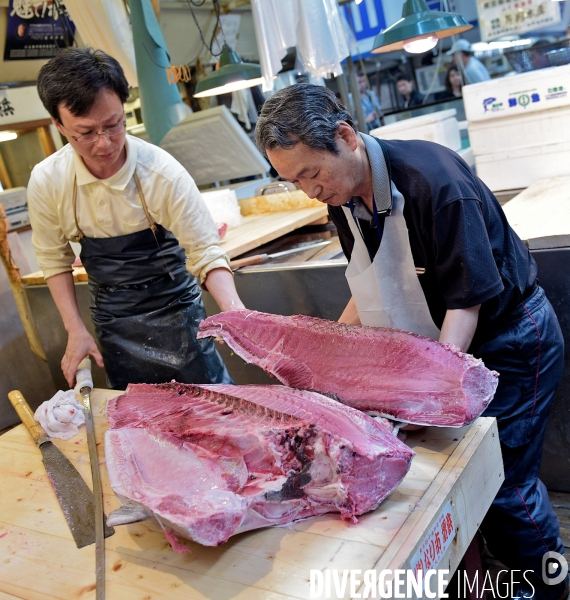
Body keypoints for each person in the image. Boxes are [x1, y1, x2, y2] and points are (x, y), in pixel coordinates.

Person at [254, 83, 568, 600]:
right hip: (446, 344)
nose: (309, 190)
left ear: (346, 136)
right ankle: (506, 579)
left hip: (511, 339)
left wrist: (431, 387)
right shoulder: (343, 196)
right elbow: (369, 279)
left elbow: (467, 301)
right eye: (294, 182)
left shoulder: (434, 182)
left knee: (503, 481)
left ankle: (548, 586)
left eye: (311, 173)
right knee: (467, 483)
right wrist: (320, 353)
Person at [28, 47, 245, 390]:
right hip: (114, 321)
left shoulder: (161, 173)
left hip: (178, 314)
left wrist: (235, 313)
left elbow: (205, 251)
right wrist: (75, 329)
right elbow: (53, 260)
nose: (104, 144)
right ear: (58, 125)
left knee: (214, 408)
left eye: (114, 124)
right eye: (85, 133)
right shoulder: (48, 180)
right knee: (137, 421)